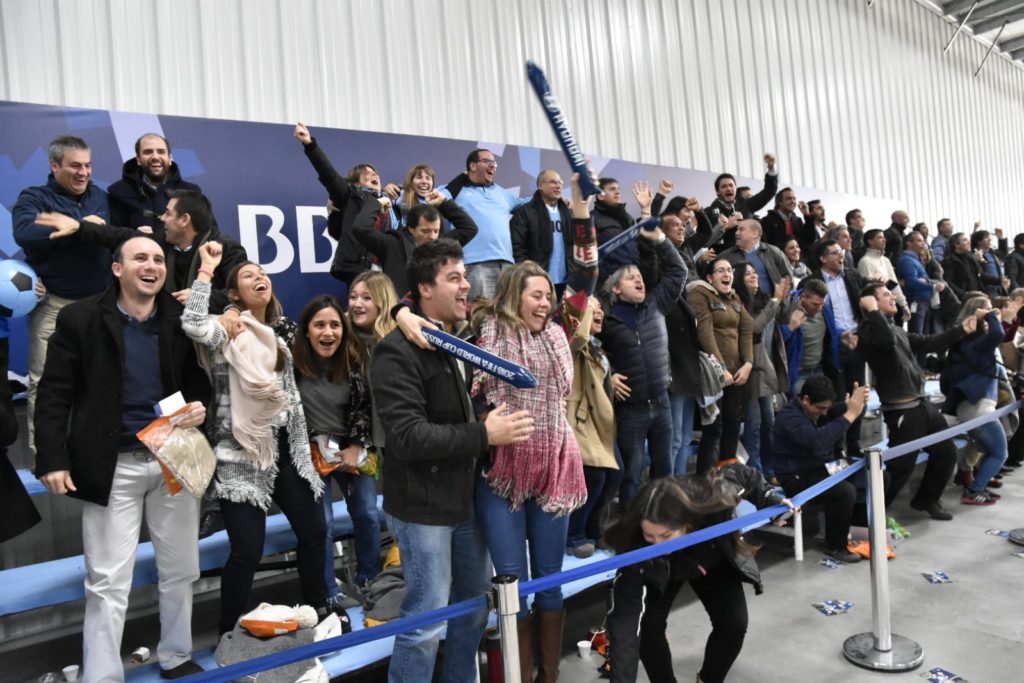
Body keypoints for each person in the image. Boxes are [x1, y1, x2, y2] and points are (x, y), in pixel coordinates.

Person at [35, 236, 210, 680]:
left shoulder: (177, 319)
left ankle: (175, 656)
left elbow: (196, 383)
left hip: (173, 458)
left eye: (158, 259)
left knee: (181, 570)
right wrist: (53, 458)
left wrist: (199, 407)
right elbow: (54, 393)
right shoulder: (80, 318)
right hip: (112, 466)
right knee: (108, 582)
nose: (151, 265)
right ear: (117, 269)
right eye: (140, 258)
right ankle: (102, 676)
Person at [370, 238, 534, 683]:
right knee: (423, 624)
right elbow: (406, 437)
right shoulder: (394, 352)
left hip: (463, 504)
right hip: (423, 511)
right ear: (425, 289)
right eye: (454, 278)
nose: (467, 286)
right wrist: (485, 434)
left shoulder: (454, 340)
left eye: (465, 276)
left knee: (472, 611)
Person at [181, 243, 334, 635]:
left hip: (288, 448)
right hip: (242, 454)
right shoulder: (226, 328)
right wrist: (206, 271)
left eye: (263, 273)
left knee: (316, 532)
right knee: (247, 551)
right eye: (249, 276)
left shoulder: (283, 331)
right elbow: (194, 323)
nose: (260, 277)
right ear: (233, 294)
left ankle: (319, 607)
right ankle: (229, 631)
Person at [471, 261, 586, 681]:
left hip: (555, 465)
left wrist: (579, 197)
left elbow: (586, 276)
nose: (545, 303)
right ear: (512, 295)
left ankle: (548, 676)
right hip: (501, 474)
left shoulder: (559, 334)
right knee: (511, 586)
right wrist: (402, 313)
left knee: (550, 582)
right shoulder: (483, 334)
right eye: (536, 295)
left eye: (548, 297)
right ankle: (518, 675)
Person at [603, 470, 794, 683]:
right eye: (650, 536)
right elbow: (625, 627)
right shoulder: (636, 548)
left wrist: (770, 500)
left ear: (686, 523)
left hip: (706, 557)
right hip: (660, 570)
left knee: (734, 623)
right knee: (648, 627)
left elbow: (742, 474)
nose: (657, 544)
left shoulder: (709, 498)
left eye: (666, 536)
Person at [13, 135, 113, 459]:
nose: (83, 172)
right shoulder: (35, 197)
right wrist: (79, 226)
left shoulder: (101, 196)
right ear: (54, 165)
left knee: (103, 381)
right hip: (54, 305)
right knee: (43, 384)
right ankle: (45, 454)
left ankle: (100, 451)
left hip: (100, 305)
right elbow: (25, 233)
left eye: (87, 165)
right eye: (75, 166)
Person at [292, 295, 379, 611]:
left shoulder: (357, 360)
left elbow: (369, 407)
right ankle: (328, 590)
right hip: (311, 451)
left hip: (353, 446)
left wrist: (356, 446)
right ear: (306, 330)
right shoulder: (291, 363)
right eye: (319, 325)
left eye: (334, 325)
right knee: (323, 524)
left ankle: (370, 579)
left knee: (368, 514)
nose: (327, 332)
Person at [858, 282, 968, 520]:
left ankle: (926, 499)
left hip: (921, 404)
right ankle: (869, 517)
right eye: (886, 295)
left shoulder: (894, 328)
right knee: (901, 467)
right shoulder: (869, 330)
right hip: (902, 411)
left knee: (946, 453)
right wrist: (873, 312)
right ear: (871, 303)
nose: (893, 298)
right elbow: (885, 342)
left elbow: (928, 342)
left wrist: (962, 330)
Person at [40, 188, 248, 310]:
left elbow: (243, 293)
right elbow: (120, 236)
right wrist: (79, 226)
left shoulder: (227, 249)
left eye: (168, 213)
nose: (162, 219)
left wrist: (202, 298)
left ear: (184, 220)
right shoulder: (161, 241)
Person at [599, 223, 686, 503]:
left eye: (640, 276)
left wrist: (660, 239)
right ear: (615, 287)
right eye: (630, 278)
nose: (639, 280)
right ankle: (629, 531)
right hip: (629, 412)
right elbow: (585, 351)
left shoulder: (656, 304)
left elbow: (678, 271)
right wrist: (607, 376)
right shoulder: (605, 319)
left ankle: (664, 523)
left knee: (664, 473)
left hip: (661, 403)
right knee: (631, 476)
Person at [773, 375, 869, 563]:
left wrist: (857, 406)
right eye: (820, 408)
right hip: (797, 477)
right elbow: (816, 441)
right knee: (844, 492)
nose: (824, 413)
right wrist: (850, 414)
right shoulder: (789, 418)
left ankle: (857, 532)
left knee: (868, 474)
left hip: (822, 467)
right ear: (806, 399)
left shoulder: (815, 409)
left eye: (827, 407)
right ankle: (834, 544)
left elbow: (838, 414)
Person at [294, 122, 395, 289]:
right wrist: (310, 144)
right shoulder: (351, 195)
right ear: (355, 182)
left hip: (387, 270)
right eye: (367, 174)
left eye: (375, 172)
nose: (374, 175)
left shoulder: (391, 203)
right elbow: (329, 175)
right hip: (359, 269)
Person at [941, 295, 1018, 504]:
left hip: (977, 406)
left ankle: (975, 484)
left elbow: (1002, 336)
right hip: (977, 408)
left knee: (989, 449)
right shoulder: (972, 343)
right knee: (1000, 453)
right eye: (989, 309)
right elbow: (996, 336)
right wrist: (992, 316)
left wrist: (1007, 317)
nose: (994, 311)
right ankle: (974, 491)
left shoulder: (969, 343)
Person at [688, 258, 754, 474]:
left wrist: (748, 364)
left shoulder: (735, 297)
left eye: (729, 270)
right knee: (713, 427)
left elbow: (746, 329)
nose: (727, 274)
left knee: (733, 424)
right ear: (709, 277)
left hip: (736, 374)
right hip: (712, 374)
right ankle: (703, 480)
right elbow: (704, 333)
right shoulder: (700, 293)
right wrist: (721, 367)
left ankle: (728, 475)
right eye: (720, 271)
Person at [564, 297, 618, 558]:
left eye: (600, 310)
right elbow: (578, 337)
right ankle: (574, 536)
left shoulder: (598, 347)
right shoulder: (573, 344)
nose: (598, 314)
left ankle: (594, 531)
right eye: (591, 310)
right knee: (594, 476)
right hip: (578, 420)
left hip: (598, 423)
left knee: (614, 475)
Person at [439, 148, 528, 300]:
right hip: (474, 264)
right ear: (472, 166)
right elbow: (435, 197)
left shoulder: (501, 192)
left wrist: (555, 198)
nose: (493, 166)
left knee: (507, 320)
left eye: (494, 163)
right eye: (487, 161)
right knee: (477, 318)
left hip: (507, 266)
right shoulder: (456, 190)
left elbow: (525, 204)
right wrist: (461, 178)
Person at [353, 189, 478, 295]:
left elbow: (469, 228)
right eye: (425, 231)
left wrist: (444, 203)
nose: (432, 237)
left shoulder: (440, 246)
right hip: (399, 314)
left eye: (436, 231)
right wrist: (376, 204)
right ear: (411, 228)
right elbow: (361, 228)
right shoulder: (392, 244)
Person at [733, 262, 790, 475]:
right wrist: (775, 300)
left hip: (766, 367)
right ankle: (755, 471)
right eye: (747, 274)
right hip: (750, 368)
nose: (753, 276)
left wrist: (781, 299)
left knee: (769, 422)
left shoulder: (764, 299)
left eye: (754, 272)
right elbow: (754, 328)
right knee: (754, 424)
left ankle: (769, 469)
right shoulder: (737, 301)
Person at [107, 133, 206, 237]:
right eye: (148, 152)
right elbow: (113, 238)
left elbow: (208, 234)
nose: (155, 157)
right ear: (138, 160)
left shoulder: (191, 192)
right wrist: (133, 237)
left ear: (170, 158)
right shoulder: (118, 192)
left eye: (161, 152)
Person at [510, 170, 574, 294]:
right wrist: (528, 273)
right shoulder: (525, 212)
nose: (558, 185)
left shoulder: (568, 212)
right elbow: (517, 247)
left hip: (567, 282)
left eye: (560, 182)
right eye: (553, 182)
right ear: (540, 186)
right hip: (537, 280)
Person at [704, 153, 779, 251]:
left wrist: (771, 168)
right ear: (718, 191)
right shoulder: (709, 212)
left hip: (749, 257)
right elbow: (705, 242)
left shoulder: (746, 205)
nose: (728, 189)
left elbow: (769, 191)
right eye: (724, 186)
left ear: (736, 188)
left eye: (731, 185)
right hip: (724, 261)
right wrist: (725, 226)